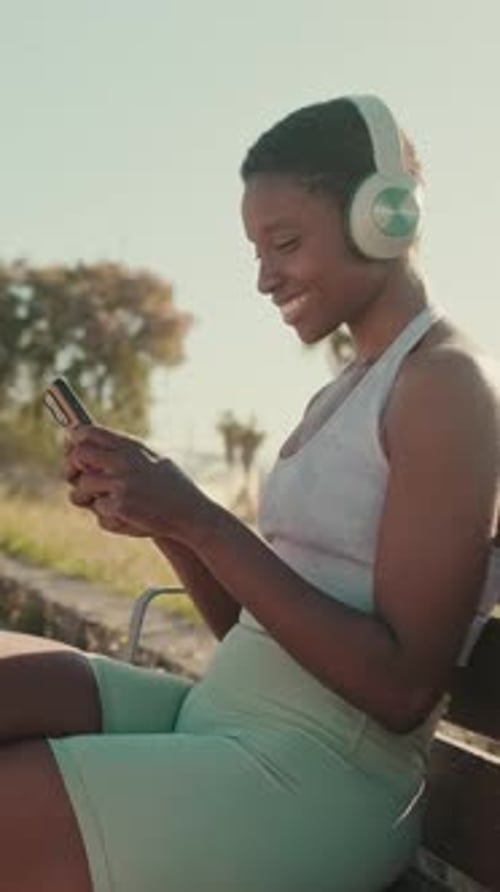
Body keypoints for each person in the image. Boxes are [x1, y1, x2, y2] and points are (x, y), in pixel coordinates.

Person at [1, 94, 499, 892]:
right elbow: (253, 626)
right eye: (256, 250)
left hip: (317, 779)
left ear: (384, 217)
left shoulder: (446, 385)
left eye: (287, 243)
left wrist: (198, 515)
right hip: (230, 717)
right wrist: (166, 521)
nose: (265, 277)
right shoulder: (348, 393)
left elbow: (403, 689)